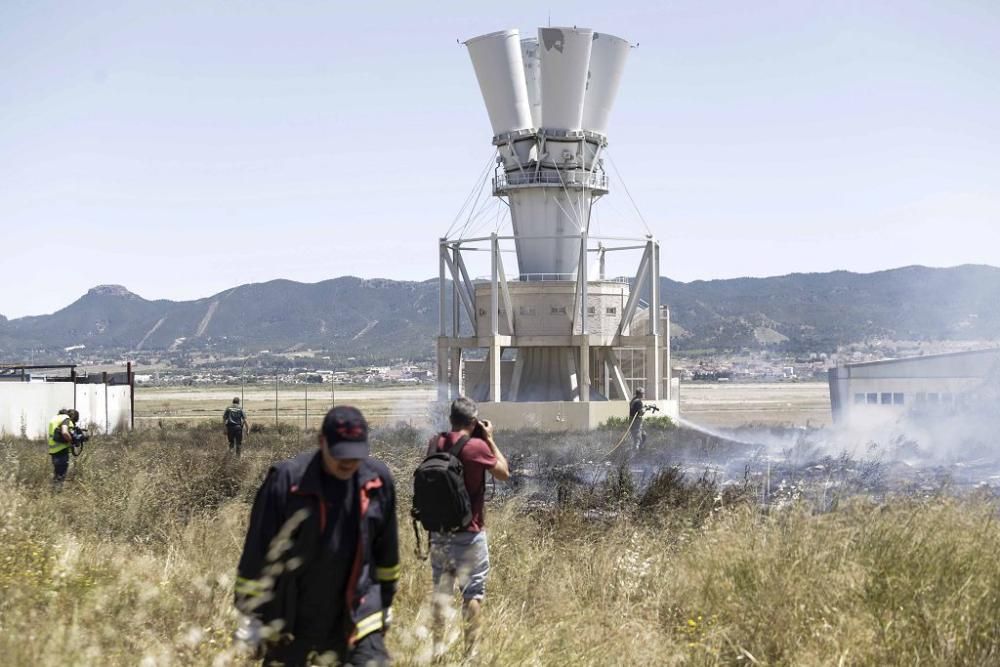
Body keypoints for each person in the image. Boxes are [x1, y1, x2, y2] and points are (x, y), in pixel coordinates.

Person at [233, 405, 399, 667]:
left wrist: (385, 603)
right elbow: (258, 552)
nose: (348, 462)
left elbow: (387, 555)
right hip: (293, 619)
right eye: (340, 454)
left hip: (358, 617)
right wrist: (251, 617)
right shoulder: (287, 482)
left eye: (356, 455)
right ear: (322, 442)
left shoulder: (378, 482)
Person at [429, 396, 510, 658]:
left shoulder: (435, 442)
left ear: (451, 419)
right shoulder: (477, 447)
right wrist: (489, 438)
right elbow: (503, 473)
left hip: (439, 532)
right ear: (473, 421)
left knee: (442, 593)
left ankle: (438, 651)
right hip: (470, 532)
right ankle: (470, 655)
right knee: (472, 594)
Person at [47, 408, 78, 487]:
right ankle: (57, 495)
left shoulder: (55, 418)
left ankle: (53, 494)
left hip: (53, 451)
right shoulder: (66, 419)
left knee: (57, 476)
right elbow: (64, 432)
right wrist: (71, 440)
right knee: (60, 477)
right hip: (61, 451)